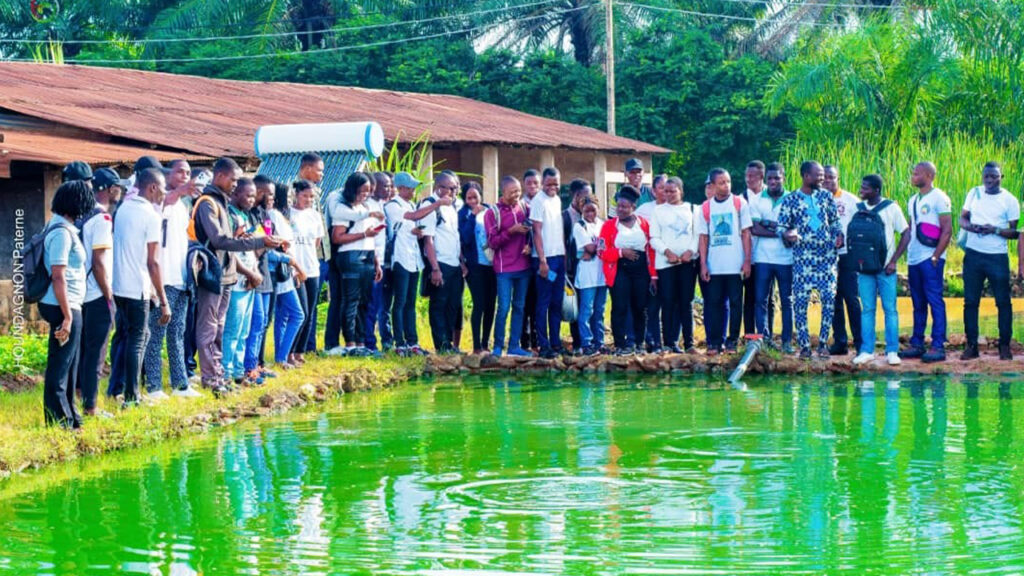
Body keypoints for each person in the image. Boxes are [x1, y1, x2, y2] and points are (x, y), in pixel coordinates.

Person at [193, 158, 283, 392]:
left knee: (221, 329)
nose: (235, 184)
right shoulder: (208, 203)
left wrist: (254, 241)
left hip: (227, 275)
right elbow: (219, 240)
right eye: (233, 179)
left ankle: (220, 376)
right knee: (209, 329)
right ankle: (211, 379)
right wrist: (257, 240)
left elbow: (231, 241)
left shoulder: (221, 203)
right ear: (220, 176)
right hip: (211, 275)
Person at [112, 167, 172, 406]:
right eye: (163, 188)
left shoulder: (123, 208)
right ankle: (132, 396)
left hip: (119, 286)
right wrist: (163, 299)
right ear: (153, 187)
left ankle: (124, 391)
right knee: (138, 339)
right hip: (137, 286)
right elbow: (153, 262)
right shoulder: (151, 215)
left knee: (133, 335)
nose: (165, 193)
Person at [143, 160, 200, 399]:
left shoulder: (183, 205)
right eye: (180, 172)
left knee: (178, 333)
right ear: (167, 175)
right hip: (163, 278)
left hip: (182, 276)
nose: (185, 176)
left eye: (188, 172)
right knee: (156, 334)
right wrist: (179, 192)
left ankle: (180, 383)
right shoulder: (160, 201)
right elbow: (166, 200)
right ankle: (153, 386)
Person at [39, 180, 93, 428]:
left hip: (70, 303)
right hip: (63, 304)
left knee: (70, 365)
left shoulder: (65, 228)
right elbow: (58, 275)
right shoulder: (61, 233)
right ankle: (58, 421)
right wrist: (67, 316)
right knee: (61, 366)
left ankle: (71, 416)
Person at [778, 161, 843, 359]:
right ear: (806, 176)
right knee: (800, 302)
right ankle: (805, 346)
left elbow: (834, 221)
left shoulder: (826, 196)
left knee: (828, 301)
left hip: (827, 259)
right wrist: (787, 235)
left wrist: (839, 234)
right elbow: (781, 227)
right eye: (819, 175)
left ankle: (823, 343)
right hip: (803, 260)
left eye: (823, 175)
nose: (822, 179)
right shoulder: (791, 199)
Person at [384, 171, 448, 356]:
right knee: (400, 301)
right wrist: (436, 204)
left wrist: (418, 232)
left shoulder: (410, 203)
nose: (413, 191)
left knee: (411, 302)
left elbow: (412, 223)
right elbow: (411, 217)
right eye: (411, 187)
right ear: (401, 188)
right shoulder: (393, 205)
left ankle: (412, 341)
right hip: (401, 258)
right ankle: (399, 342)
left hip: (413, 259)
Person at [851, 174, 910, 366]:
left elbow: (906, 233)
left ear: (876, 190)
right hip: (864, 268)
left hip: (886, 269)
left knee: (890, 309)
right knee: (867, 309)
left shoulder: (891, 208)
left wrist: (893, 261)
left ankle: (892, 351)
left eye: (865, 188)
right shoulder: (857, 208)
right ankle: (867, 350)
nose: (861, 191)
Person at [76, 168, 122, 417]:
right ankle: (91, 407)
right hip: (95, 294)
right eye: (118, 186)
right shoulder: (102, 219)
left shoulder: (81, 214)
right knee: (96, 353)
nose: (120, 191)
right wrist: (109, 295)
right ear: (108, 188)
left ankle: (80, 398)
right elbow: (99, 262)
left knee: (82, 351)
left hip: (78, 294)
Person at [962, 162, 1019, 360]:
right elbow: (962, 219)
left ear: (1001, 176)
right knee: (970, 301)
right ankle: (971, 346)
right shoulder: (974, 193)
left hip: (997, 257)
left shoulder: (1010, 200)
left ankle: (1004, 346)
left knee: (1003, 302)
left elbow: (1014, 232)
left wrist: (994, 229)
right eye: (986, 176)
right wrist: (973, 228)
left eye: (993, 176)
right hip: (973, 254)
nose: (989, 180)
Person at [897, 162, 953, 363]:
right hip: (914, 258)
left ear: (929, 175)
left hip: (931, 258)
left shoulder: (940, 198)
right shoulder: (913, 200)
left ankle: (938, 345)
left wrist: (936, 256)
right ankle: (917, 342)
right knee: (918, 302)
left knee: (934, 300)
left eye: (917, 173)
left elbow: (947, 230)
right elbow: (910, 229)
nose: (913, 176)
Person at [697, 168, 753, 354]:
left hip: (735, 264)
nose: (726, 185)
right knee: (713, 303)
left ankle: (732, 341)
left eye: (728, 181)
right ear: (712, 186)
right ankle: (713, 342)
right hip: (715, 265)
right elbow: (703, 238)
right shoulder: (705, 207)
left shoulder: (739, 203)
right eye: (721, 183)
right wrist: (704, 264)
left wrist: (747, 261)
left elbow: (746, 233)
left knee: (736, 303)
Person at [330, 172, 384, 356]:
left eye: (369, 191)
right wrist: (363, 234)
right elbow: (337, 237)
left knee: (364, 301)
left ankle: (361, 342)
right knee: (351, 301)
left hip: (368, 255)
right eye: (363, 190)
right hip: (350, 256)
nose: (366, 194)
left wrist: (376, 262)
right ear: (353, 189)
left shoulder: (365, 207)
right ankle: (351, 343)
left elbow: (370, 238)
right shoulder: (344, 209)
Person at [599, 185, 657, 355]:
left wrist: (653, 275)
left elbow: (651, 251)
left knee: (640, 306)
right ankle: (620, 344)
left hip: (640, 270)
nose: (621, 210)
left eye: (625, 206)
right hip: (620, 269)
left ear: (633, 207)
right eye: (619, 206)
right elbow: (601, 251)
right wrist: (620, 252)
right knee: (620, 306)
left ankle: (639, 343)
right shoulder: (609, 226)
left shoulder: (644, 224)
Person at [220, 178, 264, 385]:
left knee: (244, 330)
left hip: (249, 280)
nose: (252, 199)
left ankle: (238, 372)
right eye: (248, 195)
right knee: (232, 330)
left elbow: (250, 250)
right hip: (236, 280)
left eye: (254, 196)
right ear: (235, 194)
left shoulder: (245, 216)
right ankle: (226, 373)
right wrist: (248, 273)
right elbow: (229, 250)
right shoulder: (229, 216)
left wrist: (254, 271)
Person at [649, 176, 698, 353]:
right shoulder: (658, 211)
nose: (668, 194)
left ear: (681, 191)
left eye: (672, 191)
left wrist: (689, 252)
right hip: (666, 263)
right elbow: (654, 237)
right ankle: (670, 342)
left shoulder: (692, 209)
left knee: (686, 302)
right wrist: (667, 252)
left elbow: (697, 235)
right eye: (665, 191)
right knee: (668, 302)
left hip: (686, 263)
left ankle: (689, 343)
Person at [486, 176, 534, 358]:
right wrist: (511, 231)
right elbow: (492, 242)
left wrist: (529, 245)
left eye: (518, 191)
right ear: (503, 192)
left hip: (524, 266)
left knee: (519, 306)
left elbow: (532, 229)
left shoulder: (524, 207)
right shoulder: (493, 213)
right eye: (512, 192)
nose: (516, 195)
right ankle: (498, 346)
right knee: (504, 307)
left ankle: (514, 345)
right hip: (504, 268)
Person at [749, 163, 794, 353]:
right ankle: (765, 339)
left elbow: (796, 228)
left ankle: (786, 342)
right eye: (770, 179)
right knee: (761, 300)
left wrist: (771, 225)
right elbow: (755, 229)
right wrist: (782, 232)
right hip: (762, 258)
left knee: (787, 300)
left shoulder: (793, 199)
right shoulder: (758, 200)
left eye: (777, 178)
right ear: (766, 180)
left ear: (783, 178)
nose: (773, 181)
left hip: (786, 259)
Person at [420, 172, 463, 353]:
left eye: (455, 188)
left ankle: (450, 345)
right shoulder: (430, 205)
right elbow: (428, 240)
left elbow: (455, 237)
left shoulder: (452, 207)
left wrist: (462, 263)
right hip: (440, 264)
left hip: (455, 264)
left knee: (453, 304)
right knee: (439, 304)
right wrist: (435, 268)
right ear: (440, 188)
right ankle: (441, 345)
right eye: (451, 188)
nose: (455, 191)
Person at [823, 165, 862, 355]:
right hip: (826, 257)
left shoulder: (850, 200)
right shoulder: (817, 200)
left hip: (847, 255)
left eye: (832, 177)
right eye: (825, 178)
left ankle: (861, 342)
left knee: (852, 299)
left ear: (838, 178)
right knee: (832, 300)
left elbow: (861, 225)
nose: (828, 181)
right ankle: (840, 342)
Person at [268, 183, 308, 368]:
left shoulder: (281, 216)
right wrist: (297, 269)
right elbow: (284, 245)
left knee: (284, 316)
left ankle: (281, 357)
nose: (292, 198)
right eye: (289, 195)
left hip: (285, 271)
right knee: (297, 314)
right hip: (282, 271)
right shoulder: (275, 215)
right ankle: (282, 356)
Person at [244, 176, 278, 381]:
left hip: (265, 272)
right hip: (252, 272)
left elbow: (266, 238)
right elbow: (250, 247)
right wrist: (265, 243)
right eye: (266, 192)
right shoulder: (247, 214)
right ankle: (248, 367)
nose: (270, 197)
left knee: (264, 321)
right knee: (255, 321)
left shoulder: (264, 214)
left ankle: (257, 363)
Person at [531, 167, 567, 358]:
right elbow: (536, 231)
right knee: (543, 302)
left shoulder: (557, 200)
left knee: (556, 302)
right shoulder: (538, 201)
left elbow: (559, 228)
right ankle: (543, 345)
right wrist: (542, 261)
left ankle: (555, 342)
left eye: (556, 183)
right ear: (543, 183)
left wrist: (564, 255)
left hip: (559, 258)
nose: (553, 186)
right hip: (545, 260)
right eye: (549, 183)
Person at [289, 180, 325, 364]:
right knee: (299, 311)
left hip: (312, 268)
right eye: (305, 196)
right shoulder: (288, 214)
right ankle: (290, 350)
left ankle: (300, 352)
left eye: (312, 197)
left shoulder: (315, 216)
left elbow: (316, 242)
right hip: (295, 269)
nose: (308, 200)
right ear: (296, 194)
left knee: (310, 311)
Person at [459, 182, 496, 355]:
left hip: (492, 265)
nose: (473, 201)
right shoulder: (463, 214)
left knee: (490, 305)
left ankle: (485, 344)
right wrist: (472, 216)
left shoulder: (490, 210)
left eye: (476, 197)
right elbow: (465, 238)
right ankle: (476, 346)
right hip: (474, 266)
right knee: (479, 304)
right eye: (469, 197)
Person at [296, 153, 326, 355]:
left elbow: (318, 238)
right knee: (299, 310)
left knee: (311, 307)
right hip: (296, 264)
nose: (322, 174)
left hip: (315, 262)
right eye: (319, 169)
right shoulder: (292, 194)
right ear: (306, 169)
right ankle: (295, 349)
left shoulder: (316, 199)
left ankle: (309, 347)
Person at [636, 174, 667, 352]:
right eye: (661, 188)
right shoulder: (644, 210)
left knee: (671, 303)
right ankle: (652, 340)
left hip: (671, 262)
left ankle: (671, 341)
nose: (665, 191)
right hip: (650, 263)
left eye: (668, 187)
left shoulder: (679, 209)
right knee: (652, 304)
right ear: (654, 191)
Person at [572, 198, 606, 355]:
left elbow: (609, 245)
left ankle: (599, 343)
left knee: (599, 310)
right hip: (587, 276)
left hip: (602, 274)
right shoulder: (579, 226)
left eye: (593, 210)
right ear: (581, 211)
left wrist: (595, 248)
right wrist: (597, 247)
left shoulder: (603, 224)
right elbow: (590, 248)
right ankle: (586, 343)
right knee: (587, 310)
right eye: (587, 211)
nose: (590, 214)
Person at [365, 172, 394, 352]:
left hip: (382, 261)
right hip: (371, 261)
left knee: (377, 305)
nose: (389, 189)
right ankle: (369, 343)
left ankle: (373, 341)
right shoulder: (368, 206)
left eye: (390, 186)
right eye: (385, 186)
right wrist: (376, 262)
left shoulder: (381, 205)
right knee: (370, 305)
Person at [563, 179, 592, 353]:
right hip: (572, 269)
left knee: (588, 306)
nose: (587, 200)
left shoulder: (590, 215)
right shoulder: (566, 217)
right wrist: (566, 270)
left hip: (590, 268)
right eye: (585, 196)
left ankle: (590, 341)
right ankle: (578, 343)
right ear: (576, 196)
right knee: (574, 305)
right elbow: (564, 244)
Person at [743, 160, 767, 338]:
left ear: (761, 176)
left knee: (767, 298)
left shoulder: (769, 195)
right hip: (748, 256)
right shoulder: (742, 198)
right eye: (747, 176)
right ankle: (749, 334)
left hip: (767, 256)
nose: (748, 179)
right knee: (749, 296)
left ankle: (767, 334)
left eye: (752, 176)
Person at [520, 169, 542, 351]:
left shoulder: (546, 202)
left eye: (536, 183)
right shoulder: (521, 206)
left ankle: (537, 341)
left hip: (540, 259)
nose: (533, 186)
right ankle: (523, 342)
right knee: (524, 303)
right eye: (529, 183)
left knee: (538, 301)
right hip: (523, 260)